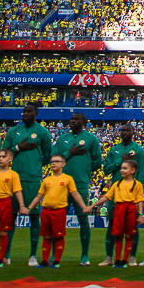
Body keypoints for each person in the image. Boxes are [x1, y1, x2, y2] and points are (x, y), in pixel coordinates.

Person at [4, 102, 53, 266]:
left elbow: (47, 155)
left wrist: (36, 165)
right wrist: (19, 147)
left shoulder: (42, 132)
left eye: (29, 111)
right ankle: (6, 254)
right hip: (13, 179)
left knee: (33, 216)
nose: (25, 114)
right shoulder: (13, 131)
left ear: (36, 113)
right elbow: (5, 154)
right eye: (24, 111)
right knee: (10, 217)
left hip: (33, 178)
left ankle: (33, 255)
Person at [53, 111, 104, 265]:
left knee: (83, 219)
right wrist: (70, 152)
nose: (73, 121)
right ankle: (55, 256)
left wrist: (85, 170)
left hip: (80, 184)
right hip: (61, 184)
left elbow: (97, 161)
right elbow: (55, 159)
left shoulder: (91, 139)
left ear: (84, 122)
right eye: (72, 119)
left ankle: (85, 256)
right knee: (59, 220)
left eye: (77, 119)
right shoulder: (63, 139)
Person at [27, 154, 91, 268]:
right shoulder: (47, 180)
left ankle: (57, 260)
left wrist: (83, 207)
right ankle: (45, 260)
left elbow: (75, 194)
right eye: (52, 161)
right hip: (46, 210)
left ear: (63, 164)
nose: (53, 163)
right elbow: (38, 196)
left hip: (59, 210)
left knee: (58, 236)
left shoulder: (68, 179)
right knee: (46, 236)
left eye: (57, 161)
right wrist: (28, 208)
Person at [100, 122, 144, 267]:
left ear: (133, 133)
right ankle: (109, 256)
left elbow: (141, 172)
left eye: (128, 130)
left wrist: (137, 191)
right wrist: (120, 160)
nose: (125, 132)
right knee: (111, 227)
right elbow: (106, 170)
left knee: (132, 229)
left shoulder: (139, 150)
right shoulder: (114, 149)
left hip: (131, 198)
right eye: (123, 130)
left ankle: (132, 256)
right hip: (115, 195)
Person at [0, 149, 28, 268]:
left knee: (3, 232)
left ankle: (1, 259)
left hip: (5, 203)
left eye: (3, 156)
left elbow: (17, 191)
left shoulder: (13, 175)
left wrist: (22, 206)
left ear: (10, 159)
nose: (0, 159)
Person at [101, 160, 144, 268]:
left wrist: (140, 214)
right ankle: (117, 260)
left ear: (132, 170)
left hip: (130, 209)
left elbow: (140, 200)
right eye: (121, 168)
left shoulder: (137, 184)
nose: (122, 170)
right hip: (119, 209)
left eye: (125, 168)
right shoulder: (117, 184)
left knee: (129, 235)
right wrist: (92, 206)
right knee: (118, 235)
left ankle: (125, 259)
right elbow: (107, 197)